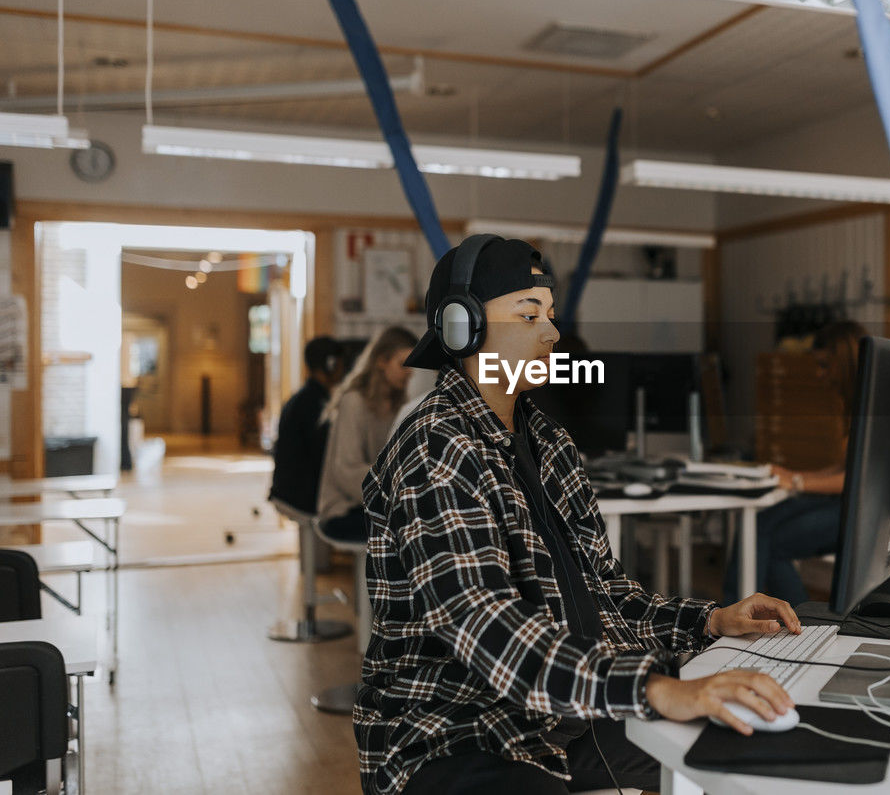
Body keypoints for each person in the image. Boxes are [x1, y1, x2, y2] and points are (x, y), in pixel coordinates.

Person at [356, 235, 800, 795]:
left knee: (746, 751)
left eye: (550, 313)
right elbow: (482, 623)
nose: (552, 332)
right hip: (453, 732)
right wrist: (655, 689)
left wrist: (710, 622)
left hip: (559, 715)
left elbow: (601, 593)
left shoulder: (549, 442)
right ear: (461, 328)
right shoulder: (437, 447)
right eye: (527, 312)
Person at [723, 320, 869, 606]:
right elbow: (845, 466)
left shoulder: (871, 407)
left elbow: (855, 478)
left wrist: (799, 482)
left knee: (767, 540)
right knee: (760, 521)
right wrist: (792, 475)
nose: (818, 374)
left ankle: (784, 618)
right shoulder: (854, 402)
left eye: (825, 365)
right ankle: (740, 608)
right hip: (846, 500)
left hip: (859, 509)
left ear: (846, 362)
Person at [316, 326, 418, 542]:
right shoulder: (353, 402)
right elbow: (346, 471)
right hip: (341, 510)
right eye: (403, 364)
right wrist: (398, 490)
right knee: (415, 530)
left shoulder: (399, 404)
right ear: (381, 361)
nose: (410, 371)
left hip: (373, 504)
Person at [269, 336, 346, 515]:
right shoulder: (314, 404)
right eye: (341, 363)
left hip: (288, 490)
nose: (343, 369)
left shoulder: (305, 398)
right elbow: (324, 456)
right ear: (331, 364)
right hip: (300, 495)